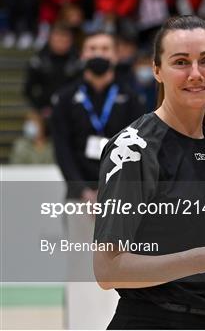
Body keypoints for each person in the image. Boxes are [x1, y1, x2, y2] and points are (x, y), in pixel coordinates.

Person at [93, 15, 205, 330]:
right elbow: (107, 270)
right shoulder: (135, 149)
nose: (196, 73)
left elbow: (204, 251)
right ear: (157, 70)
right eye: (181, 62)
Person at [50, 31, 145, 329]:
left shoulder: (132, 97)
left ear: (115, 55)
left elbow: (139, 148)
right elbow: (62, 149)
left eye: (105, 48)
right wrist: (83, 191)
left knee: (122, 264)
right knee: (79, 267)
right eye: (92, 48)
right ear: (83, 55)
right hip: (80, 199)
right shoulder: (65, 99)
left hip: (120, 199)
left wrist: (111, 193)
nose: (99, 53)